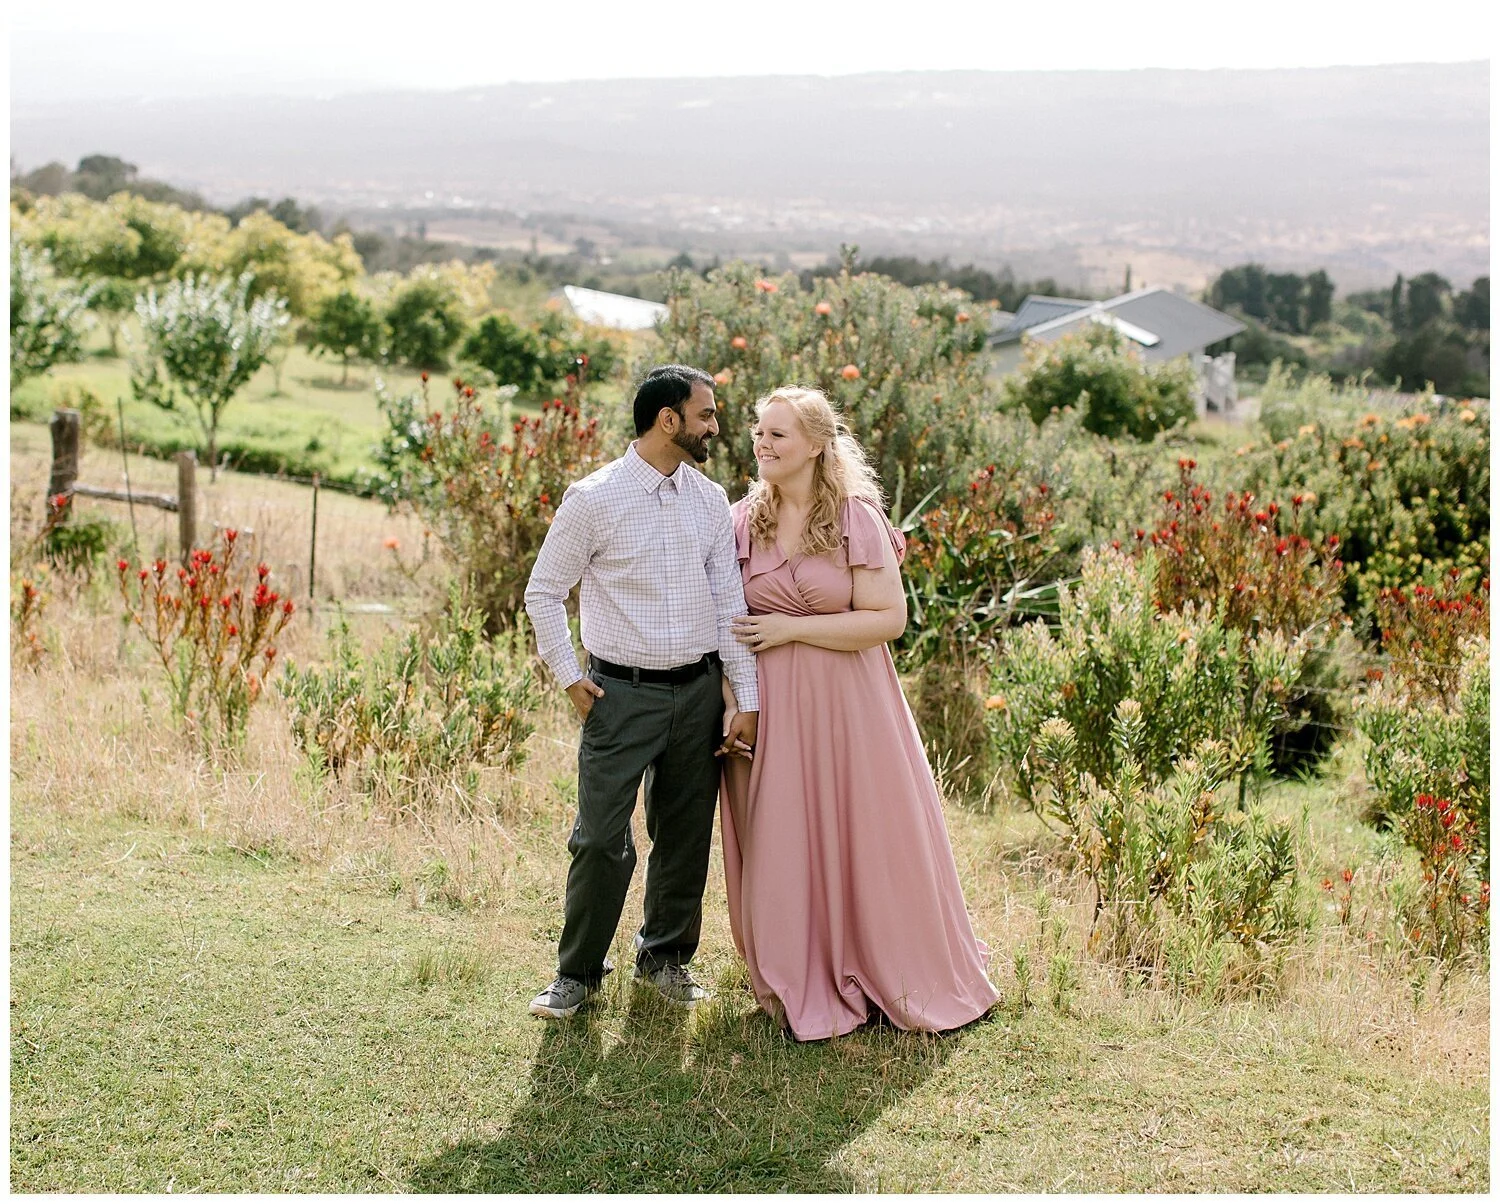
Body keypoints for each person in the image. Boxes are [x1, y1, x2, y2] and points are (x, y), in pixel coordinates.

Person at [719, 386, 999, 1041]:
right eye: (759, 432)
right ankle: (800, 970)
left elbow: (887, 620)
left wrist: (790, 631)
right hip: (774, 707)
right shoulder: (739, 521)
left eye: (778, 434)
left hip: (852, 704)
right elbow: (727, 622)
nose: (762, 443)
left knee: (865, 831)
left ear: (816, 444)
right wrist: (736, 701)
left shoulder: (854, 517)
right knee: (783, 835)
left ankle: (885, 964)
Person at [523, 364, 759, 1019]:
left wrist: (747, 697)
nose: (716, 426)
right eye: (706, 414)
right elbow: (543, 592)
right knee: (600, 839)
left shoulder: (710, 500)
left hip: (699, 693)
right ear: (668, 420)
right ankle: (577, 973)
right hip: (618, 695)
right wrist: (572, 677)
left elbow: (729, 604)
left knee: (685, 834)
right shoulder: (594, 498)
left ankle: (666, 960)